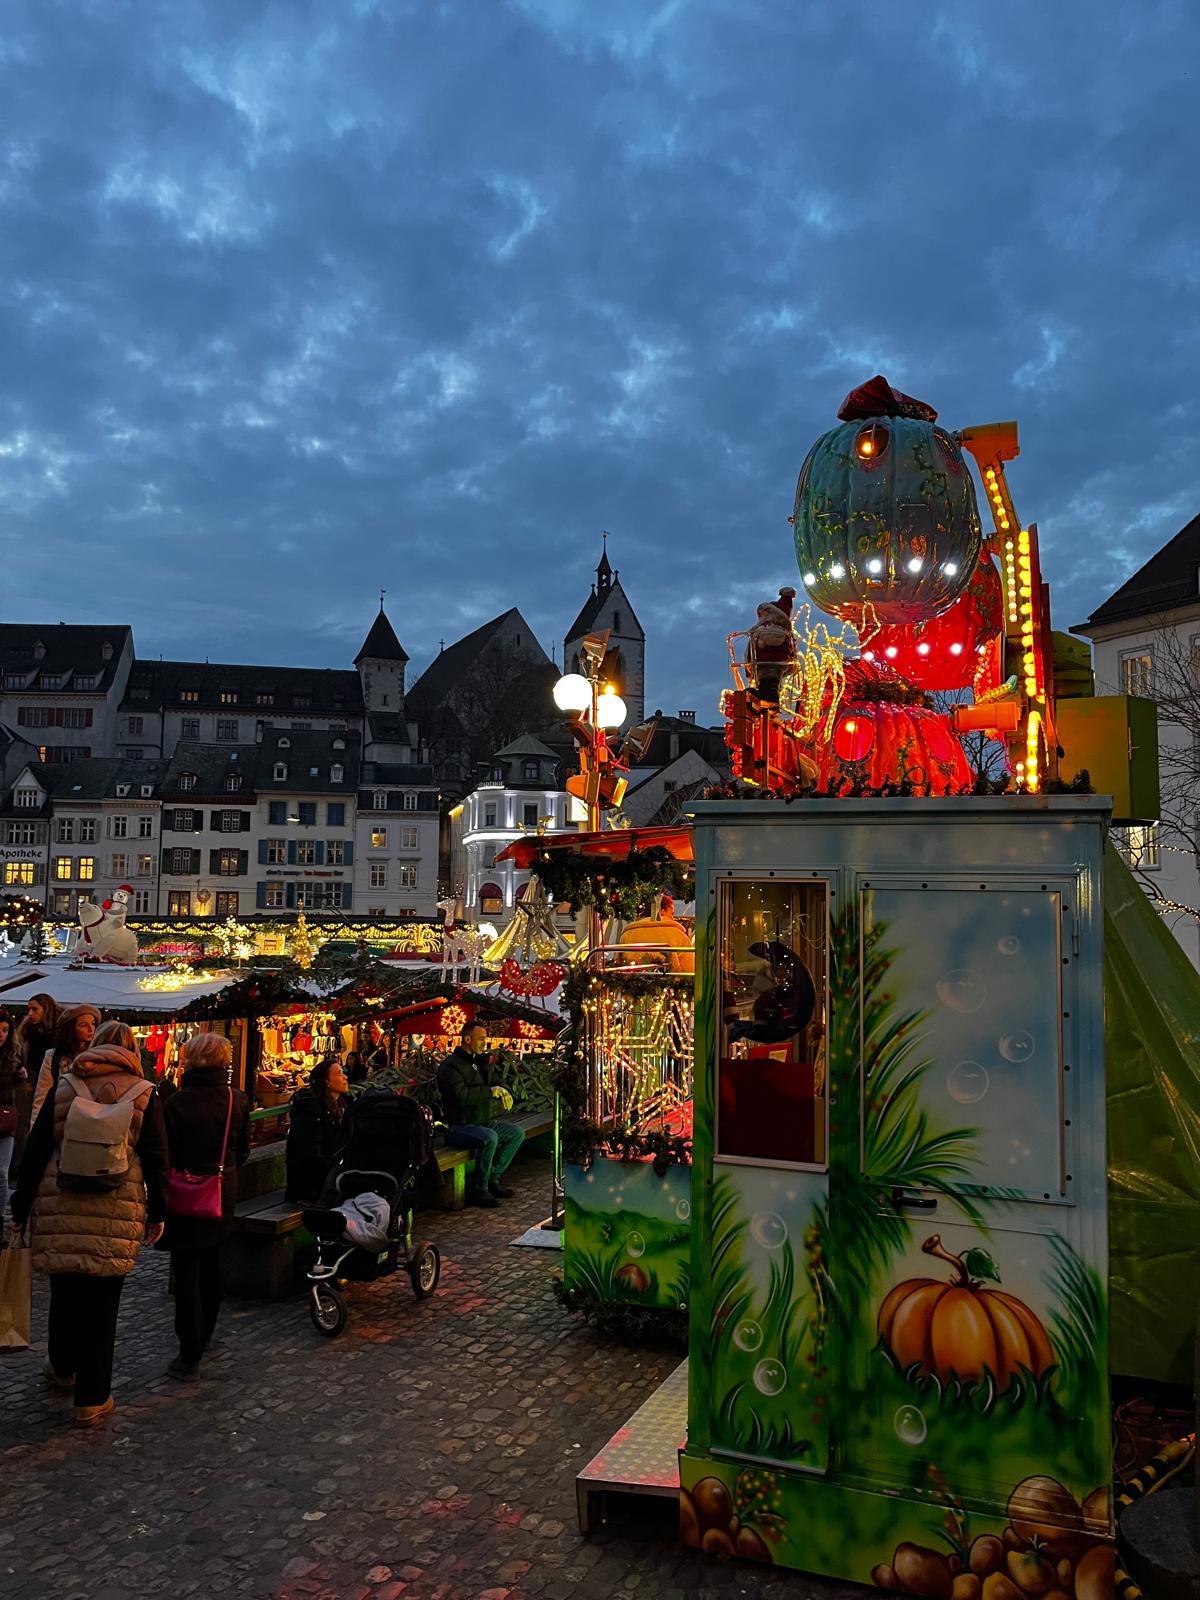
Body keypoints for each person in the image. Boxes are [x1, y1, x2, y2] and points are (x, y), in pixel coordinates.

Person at [10, 1020, 168, 1426]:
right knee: (103, 1305)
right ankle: (92, 1398)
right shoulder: (144, 1094)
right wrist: (158, 1213)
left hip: (60, 1203)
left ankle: (62, 1367)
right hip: (116, 1209)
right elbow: (155, 1158)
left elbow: (38, 1146)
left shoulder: (66, 1085)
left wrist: (21, 1205)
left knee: (64, 1291)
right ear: (133, 1049)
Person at [159, 1033, 250, 1382]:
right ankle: (206, 1331)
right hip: (220, 1193)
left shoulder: (177, 1103)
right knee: (212, 1267)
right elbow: (242, 1150)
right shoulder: (235, 1100)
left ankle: (189, 1349)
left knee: (186, 1273)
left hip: (184, 1194)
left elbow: (168, 1153)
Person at [436, 1021, 522, 1208]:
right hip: (458, 1126)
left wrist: (504, 1091)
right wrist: (490, 1092)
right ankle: (479, 1189)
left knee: (516, 1133)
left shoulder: (480, 1062)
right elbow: (460, 1096)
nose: (485, 1043)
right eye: (481, 1039)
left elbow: (497, 1082)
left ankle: (492, 1178)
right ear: (467, 1039)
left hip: (482, 1121)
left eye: (485, 1039)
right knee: (489, 1137)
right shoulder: (450, 1067)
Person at [284, 1058, 350, 1203]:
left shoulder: (338, 1108)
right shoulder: (311, 1111)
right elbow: (309, 1157)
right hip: (310, 1190)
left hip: (328, 1183)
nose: (345, 1077)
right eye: (339, 1074)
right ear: (326, 1081)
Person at [30, 1003, 100, 1120]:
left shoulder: (99, 1055)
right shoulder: (53, 1056)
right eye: (83, 1025)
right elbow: (42, 1096)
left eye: (93, 1024)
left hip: (89, 1120)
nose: (90, 1029)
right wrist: (35, 1128)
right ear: (72, 1029)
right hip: (60, 1120)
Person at [0, 1009, 28, 1228]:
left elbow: (12, 1087)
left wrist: (20, 1078)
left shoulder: (13, 1055)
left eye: (5, 1030)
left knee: (2, 1172)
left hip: (5, 1119)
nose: (1, 1034)